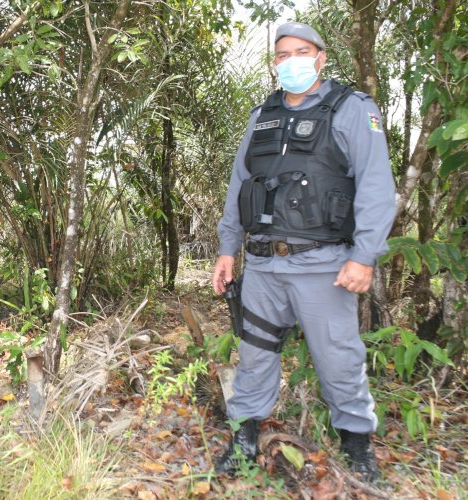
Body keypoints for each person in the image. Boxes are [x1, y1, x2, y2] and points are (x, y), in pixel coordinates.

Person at [210, 22, 395, 482]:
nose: (290, 60)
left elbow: (376, 186)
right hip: (264, 265)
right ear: (274, 63)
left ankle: (357, 449)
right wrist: (227, 249)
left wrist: (365, 255)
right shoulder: (262, 116)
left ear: (321, 57)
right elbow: (240, 186)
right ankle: (245, 438)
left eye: (301, 51)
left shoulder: (351, 109)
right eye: (281, 54)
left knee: (338, 358)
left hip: (324, 264)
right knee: (253, 355)